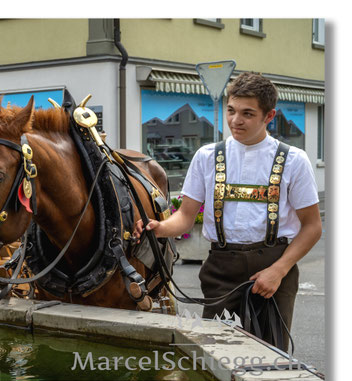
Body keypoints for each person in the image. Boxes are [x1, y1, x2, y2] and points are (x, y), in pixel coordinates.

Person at [133, 72, 322, 350]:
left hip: (274, 265)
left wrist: (279, 270)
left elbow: (312, 226)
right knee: (216, 353)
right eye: (231, 111)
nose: (236, 120)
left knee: (269, 359)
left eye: (247, 114)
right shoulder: (207, 156)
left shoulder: (294, 161)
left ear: (269, 116)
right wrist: (159, 227)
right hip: (221, 267)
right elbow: (185, 217)